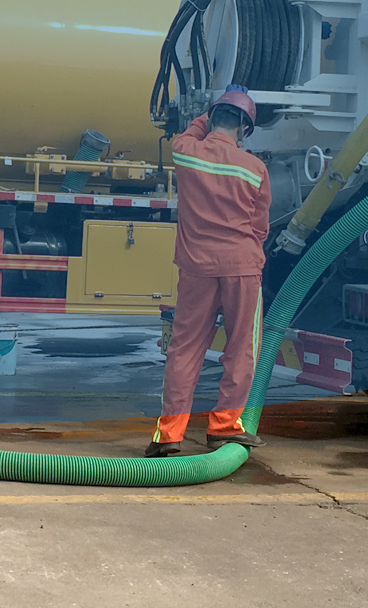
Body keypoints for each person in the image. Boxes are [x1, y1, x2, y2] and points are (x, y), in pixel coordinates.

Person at [148, 86, 271, 458]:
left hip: (196, 267)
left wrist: (212, 109)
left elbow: (191, 130)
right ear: (245, 129)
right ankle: (223, 428)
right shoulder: (255, 169)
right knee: (240, 348)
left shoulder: (186, 152)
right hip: (241, 266)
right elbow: (260, 227)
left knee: (184, 349)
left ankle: (169, 435)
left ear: (211, 118)